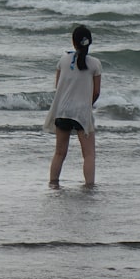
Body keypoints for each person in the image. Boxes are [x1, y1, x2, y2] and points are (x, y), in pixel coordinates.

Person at [44, 25, 102, 187]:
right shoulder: (95, 64)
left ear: (73, 41)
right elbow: (96, 92)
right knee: (89, 154)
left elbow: (58, 86)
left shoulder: (62, 60)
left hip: (63, 111)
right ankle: (89, 186)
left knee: (60, 153)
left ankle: (53, 184)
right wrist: (86, 105)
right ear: (89, 42)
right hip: (82, 112)